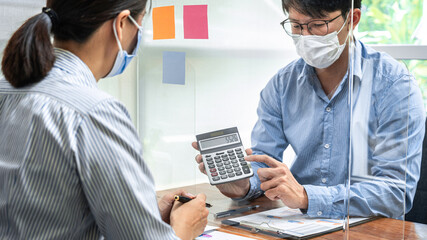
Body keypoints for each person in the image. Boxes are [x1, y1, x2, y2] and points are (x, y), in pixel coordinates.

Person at [194, 0, 425, 219]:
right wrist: (243, 184)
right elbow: (264, 162)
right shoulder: (283, 84)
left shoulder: (394, 85)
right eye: (296, 26)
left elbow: (395, 194)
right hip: (298, 222)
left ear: (352, 19)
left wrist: (306, 197)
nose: (305, 36)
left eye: (317, 25)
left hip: (369, 229)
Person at [0, 1, 208, 239]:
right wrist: (184, 227)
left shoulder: (5, 90)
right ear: (121, 24)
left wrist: (145, 217)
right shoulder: (94, 112)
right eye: (140, 27)